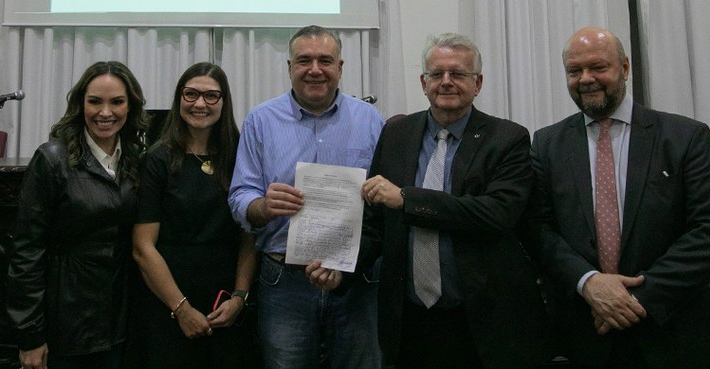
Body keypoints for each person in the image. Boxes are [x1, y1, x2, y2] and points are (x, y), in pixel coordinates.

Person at [308, 32, 550, 369]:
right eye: (437, 74)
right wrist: (342, 268)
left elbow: (495, 214)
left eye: (458, 74)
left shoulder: (508, 138)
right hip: (409, 320)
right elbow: (377, 225)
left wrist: (407, 198)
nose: (446, 82)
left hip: (482, 319)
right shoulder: (396, 134)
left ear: (477, 83)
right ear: (424, 83)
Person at [528, 26, 710, 368]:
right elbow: (538, 231)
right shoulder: (548, 143)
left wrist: (633, 298)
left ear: (625, 68)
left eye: (598, 67)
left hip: (677, 335)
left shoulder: (685, 137)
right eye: (574, 71)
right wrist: (589, 283)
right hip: (587, 338)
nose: (586, 79)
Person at [228, 25, 384, 368]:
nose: (315, 69)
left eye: (325, 60)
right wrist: (263, 207)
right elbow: (240, 195)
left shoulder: (372, 120)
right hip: (285, 281)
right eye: (304, 60)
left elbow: (383, 202)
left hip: (355, 281)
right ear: (289, 67)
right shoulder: (261, 120)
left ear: (340, 67)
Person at [6, 61, 148, 369]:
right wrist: (29, 335)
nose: (105, 112)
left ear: (131, 106)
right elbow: (27, 252)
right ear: (80, 104)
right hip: (65, 325)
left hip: (120, 323)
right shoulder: (52, 159)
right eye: (95, 101)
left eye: (117, 102)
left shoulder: (136, 160)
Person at [130, 62, 258, 368]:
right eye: (191, 94)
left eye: (211, 96)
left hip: (226, 302)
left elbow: (249, 235)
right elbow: (143, 248)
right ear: (178, 100)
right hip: (168, 299)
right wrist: (182, 309)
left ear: (224, 103)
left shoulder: (241, 154)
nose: (200, 104)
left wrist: (240, 297)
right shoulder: (157, 159)